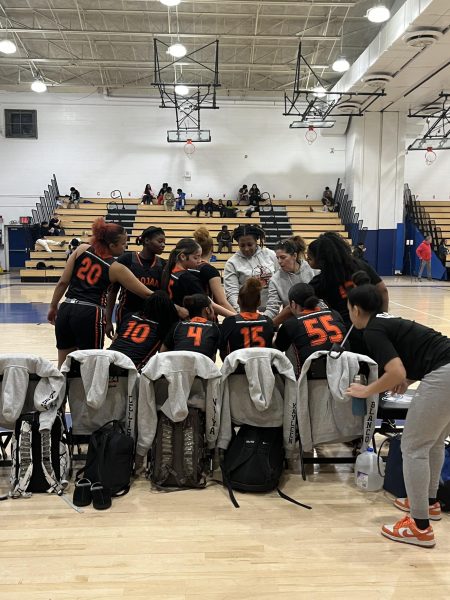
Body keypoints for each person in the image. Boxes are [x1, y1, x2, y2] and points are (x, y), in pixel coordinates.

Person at [346, 271, 450, 548]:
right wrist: (406, 378)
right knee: (434, 442)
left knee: (414, 447)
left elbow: (395, 370)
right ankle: (429, 504)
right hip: (445, 368)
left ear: (356, 309)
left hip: (444, 375)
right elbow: (418, 356)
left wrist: (366, 390)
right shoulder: (388, 320)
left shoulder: (372, 330)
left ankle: (420, 526)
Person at [47, 218, 154, 367]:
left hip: (66, 308)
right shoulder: (115, 268)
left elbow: (63, 282)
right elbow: (147, 294)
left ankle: (60, 390)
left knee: (63, 365)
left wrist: (53, 306)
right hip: (90, 313)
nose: (126, 246)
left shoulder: (81, 249)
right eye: (123, 244)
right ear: (111, 245)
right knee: (92, 366)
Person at [307, 232, 388, 353]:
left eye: (309, 258)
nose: (307, 260)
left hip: (347, 330)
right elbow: (383, 290)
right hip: (373, 324)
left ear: (321, 259)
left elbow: (299, 300)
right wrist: (382, 315)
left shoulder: (322, 280)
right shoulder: (361, 265)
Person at [106, 226, 166, 338]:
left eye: (164, 242)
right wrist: (108, 321)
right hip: (126, 314)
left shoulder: (163, 264)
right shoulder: (126, 259)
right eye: (160, 241)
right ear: (147, 240)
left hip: (151, 317)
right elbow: (112, 292)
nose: (163, 245)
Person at [275, 283, 346, 377]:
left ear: (292, 304)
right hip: (344, 372)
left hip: (312, 381)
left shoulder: (291, 324)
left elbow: (278, 348)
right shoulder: (335, 314)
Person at [109, 291, 179, 370]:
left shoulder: (129, 316)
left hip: (108, 359)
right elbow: (163, 355)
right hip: (131, 367)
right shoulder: (163, 327)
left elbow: (115, 340)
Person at [224, 224, 278, 312]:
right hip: (246, 313)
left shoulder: (270, 255)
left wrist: (272, 311)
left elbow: (278, 284)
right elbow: (232, 293)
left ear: (256, 241)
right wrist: (241, 312)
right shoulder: (232, 263)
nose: (246, 249)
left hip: (272, 310)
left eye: (250, 244)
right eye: (242, 245)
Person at [219, 278, 274, 360]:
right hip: (262, 369)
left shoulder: (229, 322)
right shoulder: (268, 322)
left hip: (237, 370)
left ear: (238, 301)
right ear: (259, 302)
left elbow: (223, 351)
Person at [264, 236, 315, 324]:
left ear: (294, 256)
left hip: (316, 316)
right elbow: (272, 308)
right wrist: (262, 320)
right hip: (293, 322)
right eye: (277, 258)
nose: (279, 261)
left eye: (283, 257)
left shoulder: (312, 269)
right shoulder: (275, 280)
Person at [161, 294, 220, 360]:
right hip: (201, 366)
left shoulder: (177, 325)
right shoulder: (214, 327)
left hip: (177, 366)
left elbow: (162, 352)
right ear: (207, 310)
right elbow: (212, 359)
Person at [193, 227, 235, 313]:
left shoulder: (188, 266)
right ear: (212, 248)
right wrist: (238, 318)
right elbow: (221, 302)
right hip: (205, 318)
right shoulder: (210, 271)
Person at [161, 238, 205, 307]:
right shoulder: (188, 279)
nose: (199, 261)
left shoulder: (170, 270)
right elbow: (206, 303)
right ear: (183, 256)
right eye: (196, 258)